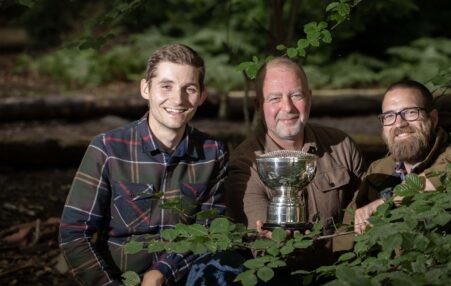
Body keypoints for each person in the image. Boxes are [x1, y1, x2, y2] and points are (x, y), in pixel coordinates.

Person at [59, 44, 231, 285]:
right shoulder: (107, 148)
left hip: (183, 276)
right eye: (166, 86)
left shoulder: (213, 153)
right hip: (117, 278)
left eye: (189, 89)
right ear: (145, 88)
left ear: (202, 96)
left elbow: (209, 229)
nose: (178, 99)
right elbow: (74, 233)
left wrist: (161, 272)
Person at [225, 57, 366, 268]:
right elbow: (260, 243)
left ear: (309, 98)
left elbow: (367, 212)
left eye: (296, 95)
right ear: (258, 105)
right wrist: (276, 240)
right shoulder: (245, 164)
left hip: (345, 272)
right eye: (274, 98)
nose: (288, 107)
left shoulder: (341, 145)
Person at [333, 79, 451, 250]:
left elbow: (448, 174)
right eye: (389, 116)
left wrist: (387, 201)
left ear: (434, 118)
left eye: (411, 112)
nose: (399, 123)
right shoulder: (377, 170)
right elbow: (344, 238)